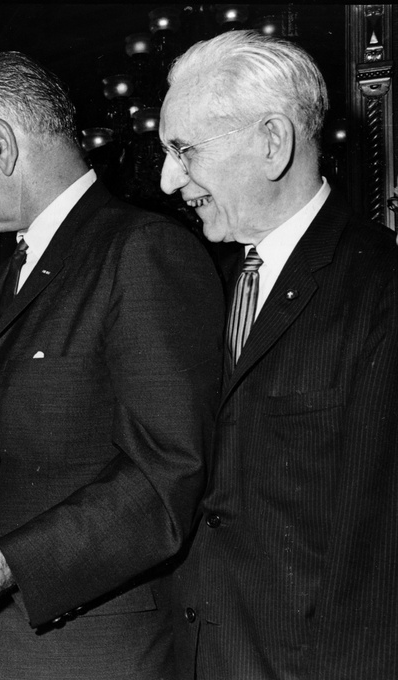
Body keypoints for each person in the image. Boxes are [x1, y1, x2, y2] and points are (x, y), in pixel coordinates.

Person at [0, 51, 224, 678]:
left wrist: (8, 562)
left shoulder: (141, 250)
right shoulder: (4, 277)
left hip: (75, 655)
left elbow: (165, 477)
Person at [157, 30, 398, 679]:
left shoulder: (380, 288)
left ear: (272, 142)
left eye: (185, 151)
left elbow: (377, 565)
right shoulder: (207, 281)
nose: (168, 178)